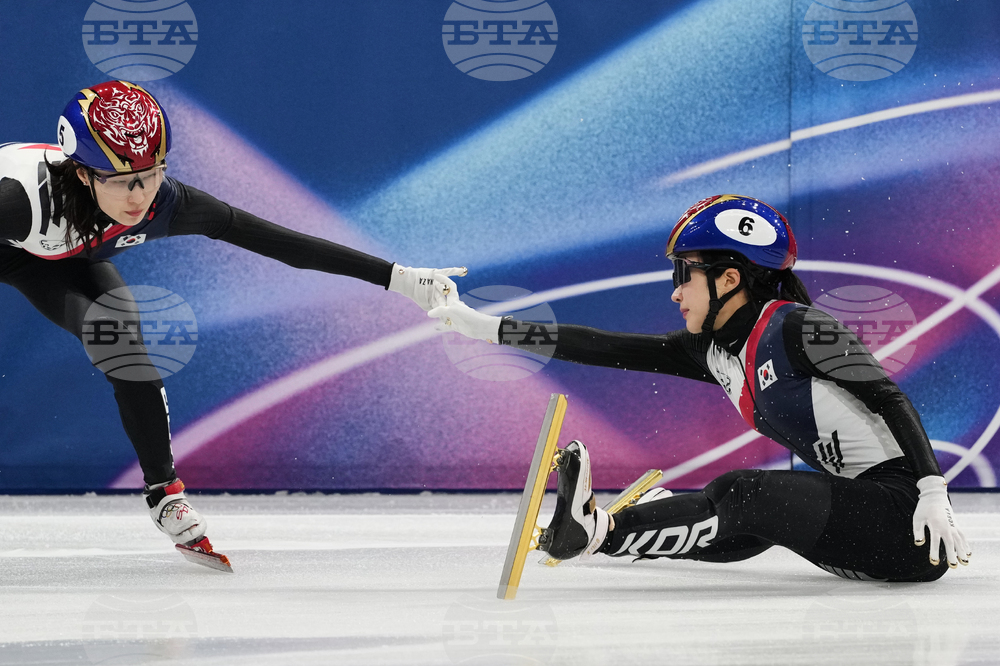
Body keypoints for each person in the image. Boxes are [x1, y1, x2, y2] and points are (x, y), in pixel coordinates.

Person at [0, 80, 465, 559]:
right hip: (11, 248)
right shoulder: (16, 202)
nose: (139, 196)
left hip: (74, 252)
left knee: (121, 342)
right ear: (81, 173)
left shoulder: (167, 203)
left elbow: (289, 247)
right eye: (121, 181)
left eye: (152, 172)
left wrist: (404, 279)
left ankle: (165, 495)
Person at [432, 194, 972, 582]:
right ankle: (596, 533)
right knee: (735, 520)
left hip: (911, 523)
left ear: (730, 278)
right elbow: (600, 345)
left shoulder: (799, 326)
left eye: (682, 275)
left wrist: (931, 490)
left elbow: (889, 396)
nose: (674, 293)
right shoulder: (713, 350)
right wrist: (483, 326)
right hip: (856, 534)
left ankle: (606, 528)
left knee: (748, 493)